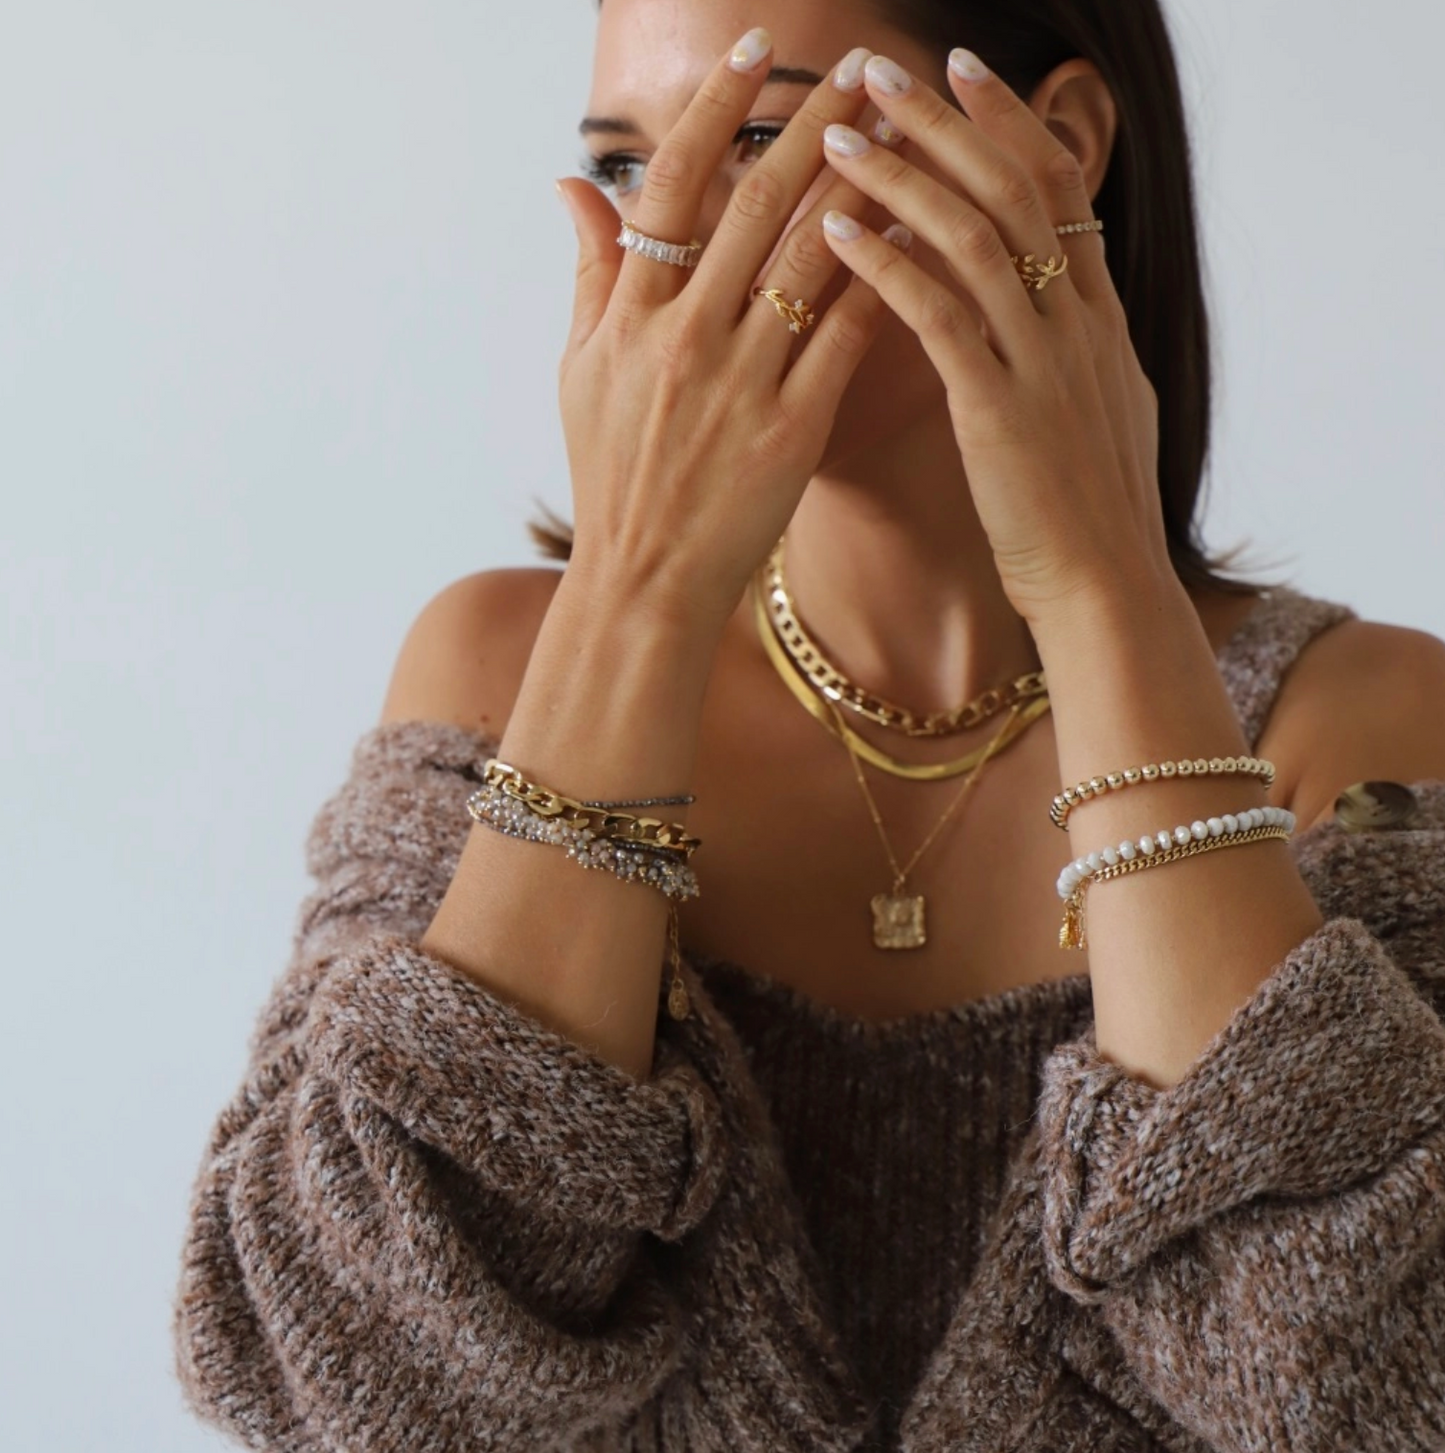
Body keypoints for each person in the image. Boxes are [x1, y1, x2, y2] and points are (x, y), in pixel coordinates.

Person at [171, 0, 1445, 1448]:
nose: (679, 249)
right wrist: (639, 594)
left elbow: (1377, 1393)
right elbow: (339, 1383)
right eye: (632, 165)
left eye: (764, 137)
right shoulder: (497, 677)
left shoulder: (1364, 729)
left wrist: (1102, 596)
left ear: (1059, 145)